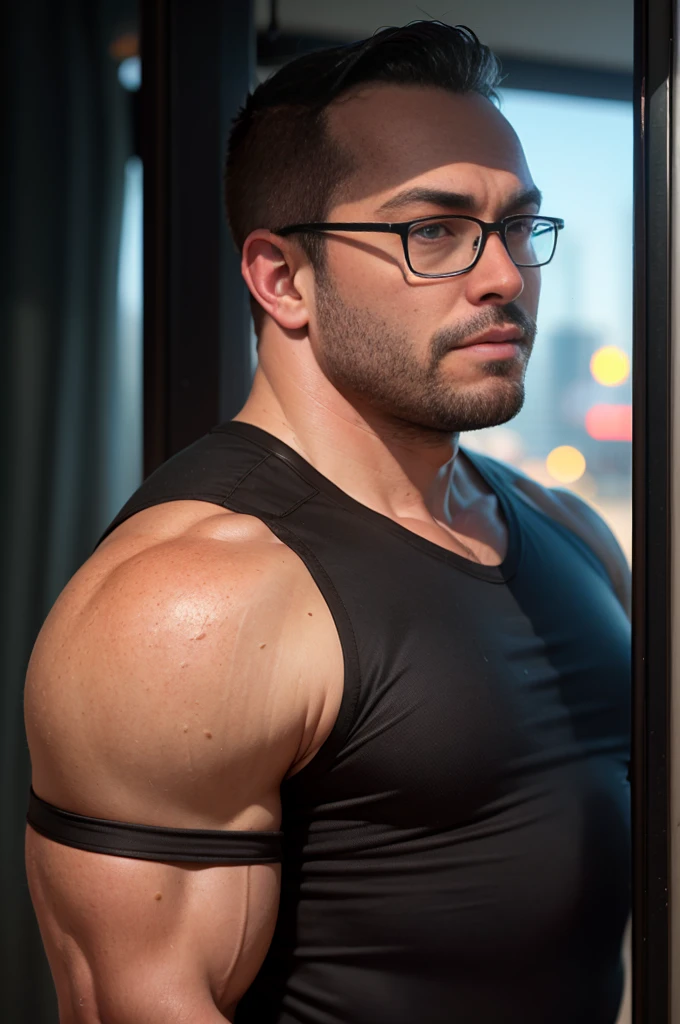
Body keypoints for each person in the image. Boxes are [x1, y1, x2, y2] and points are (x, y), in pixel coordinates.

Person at [24, 21, 631, 1024]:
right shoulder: (189, 601)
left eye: (519, 226)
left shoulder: (569, 532)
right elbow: (136, 1003)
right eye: (430, 231)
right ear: (280, 279)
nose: (502, 276)